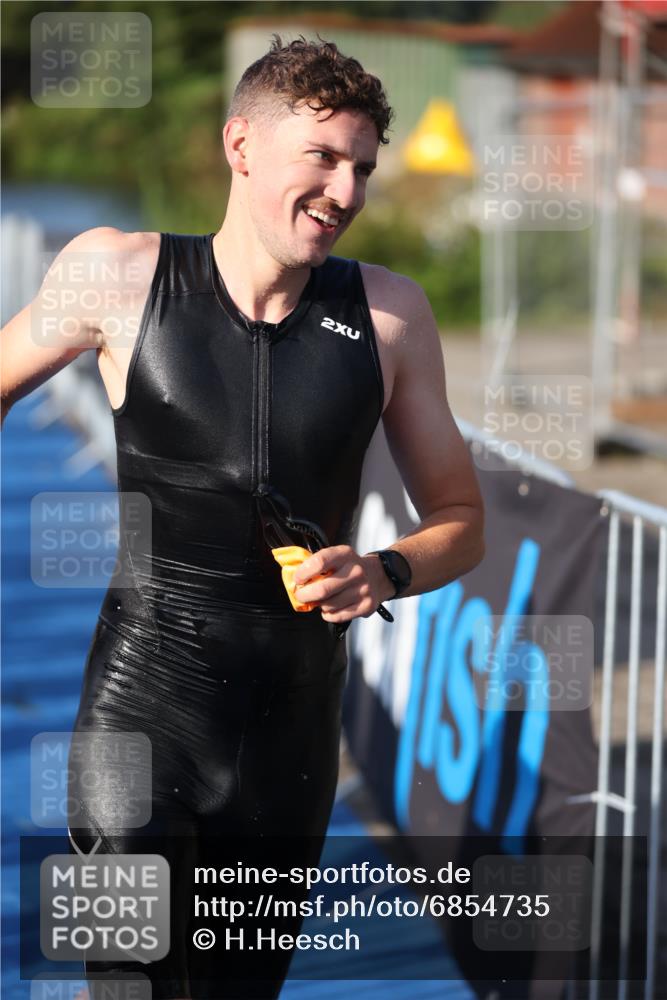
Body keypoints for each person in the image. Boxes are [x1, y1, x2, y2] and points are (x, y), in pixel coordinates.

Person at [1, 35, 484, 1000]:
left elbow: (461, 519)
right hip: (140, 710)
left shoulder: (388, 315)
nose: (344, 192)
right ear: (240, 146)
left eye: (362, 169)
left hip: (289, 736)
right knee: (128, 982)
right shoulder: (119, 273)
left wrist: (385, 571)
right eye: (323, 158)